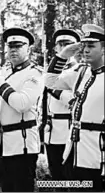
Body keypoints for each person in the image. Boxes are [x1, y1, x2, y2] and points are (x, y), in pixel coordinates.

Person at [44, 24, 104, 191]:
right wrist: (63, 55)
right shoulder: (82, 73)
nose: (85, 50)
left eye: (91, 46)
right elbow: (50, 82)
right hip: (75, 152)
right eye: (84, 46)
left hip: (97, 155)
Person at [0, 27, 44, 191]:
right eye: (10, 46)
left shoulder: (35, 74)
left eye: (18, 46)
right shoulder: (6, 73)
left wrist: (0, 84)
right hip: (6, 144)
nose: (13, 50)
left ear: (29, 49)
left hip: (23, 144)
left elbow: (22, 104)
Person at [42, 29, 81, 184]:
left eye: (68, 44)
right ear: (56, 48)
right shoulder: (49, 71)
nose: (64, 47)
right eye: (60, 44)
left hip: (69, 130)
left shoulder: (79, 70)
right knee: (56, 177)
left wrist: (54, 90)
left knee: (71, 178)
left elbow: (76, 100)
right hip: (51, 132)